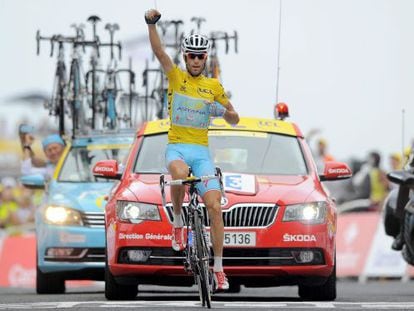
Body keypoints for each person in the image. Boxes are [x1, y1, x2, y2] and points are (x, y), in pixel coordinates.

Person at [145, 9, 240, 292]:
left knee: (214, 206)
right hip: (177, 149)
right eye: (191, 55)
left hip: (201, 153)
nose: (196, 60)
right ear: (185, 57)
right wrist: (151, 24)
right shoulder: (175, 77)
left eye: (201, 56)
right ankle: (177, 220)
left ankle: (219, 268)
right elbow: (160, 52)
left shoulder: (213, 86)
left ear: (206, 58)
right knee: (179, 173)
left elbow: (234, 117)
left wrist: (222, 111)